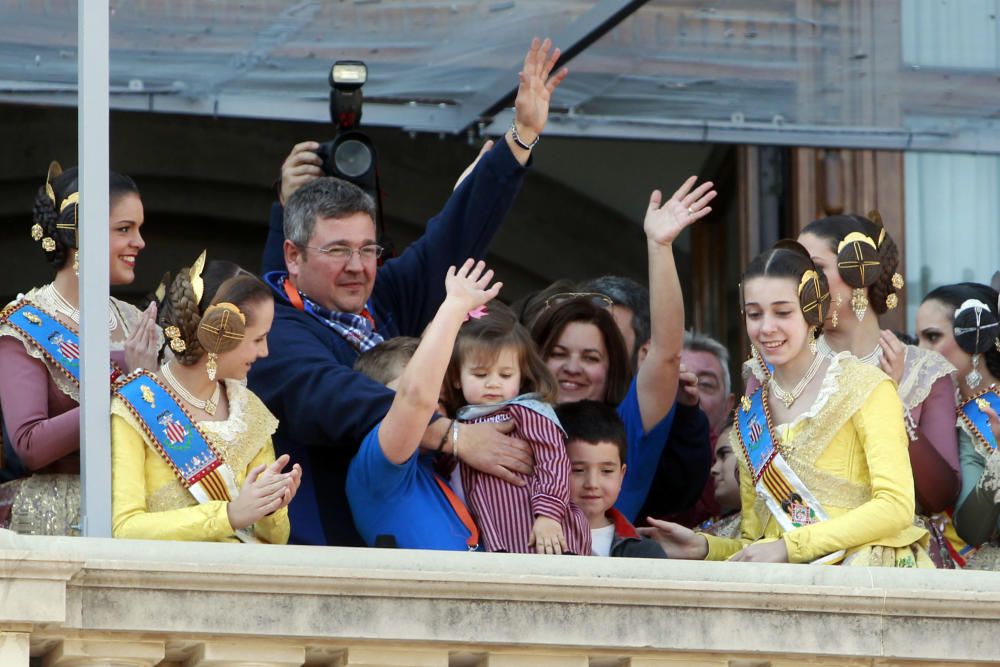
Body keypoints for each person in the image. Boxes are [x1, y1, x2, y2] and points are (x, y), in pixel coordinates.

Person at [249, 38, 569, 546]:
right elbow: (342, 400)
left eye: (368, 249)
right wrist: (455, 436)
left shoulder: (382, 297)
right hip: (323, 561)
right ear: (293, 256)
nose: (358, 267)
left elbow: (453, 237)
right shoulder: (269, 331)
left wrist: (521, 137)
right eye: (337, 251)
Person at [641, 241, 931, 567]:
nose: (766, 328)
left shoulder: (866, 385)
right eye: (754, 314)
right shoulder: (751, 415)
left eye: (782, 312)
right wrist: (704, 547)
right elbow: (757, 542)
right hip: (786, 582)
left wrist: (792, 547)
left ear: (814, 310)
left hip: (864, 573)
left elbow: (895, 505)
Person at [531, 177, 716, 522]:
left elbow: (666, 352)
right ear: (537, 359)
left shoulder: (628, 428)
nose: (573, 367)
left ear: (613, 368)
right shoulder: (503, 423)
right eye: (558, 353)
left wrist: (660, 247)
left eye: (591, 358)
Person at [0, 162, 160, 535]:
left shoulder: (136, 322)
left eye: (138, 229)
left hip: (138, 511)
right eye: (124, 229)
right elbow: (30, 444)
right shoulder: (25, 325)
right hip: (56, 519)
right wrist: (129, 387)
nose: (140, 242)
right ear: (79, 235)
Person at [110, 254, 300, 542]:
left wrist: (271, 506)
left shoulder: (250, 412)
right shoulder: (136, 404)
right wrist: (229, 516)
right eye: (258, 339)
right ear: (220, 335)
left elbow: (274, 541)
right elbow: (125, 528)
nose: (265, 353)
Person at [794, 214, 959, 517]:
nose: (801, 282)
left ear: (861, 270)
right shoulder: (777, 368)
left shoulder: (924, 372)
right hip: (799, 541)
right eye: (797, 271)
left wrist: (891, 404)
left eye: (814, 268)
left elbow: (942, 496)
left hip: (892, 546)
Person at [346, 260, 504, 551]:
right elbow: (415, 398)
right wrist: (455, 306)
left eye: (440, 395)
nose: (434, 399)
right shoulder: (376, 466)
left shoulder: (444, 467)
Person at [440, 302, 590, 555]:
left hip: (541, 536)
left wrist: (549, 515)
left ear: (521, 375)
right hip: (498, 542)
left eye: (505, 375)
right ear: (456, 377)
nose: (493, 384)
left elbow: (553, 461)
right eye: (480, 374)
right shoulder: (457, 426)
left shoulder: (526, 411)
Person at [917, 282, 1000, 569]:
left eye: (932, 337)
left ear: (975, 335)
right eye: (919, 340)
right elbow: (972, 530)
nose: (921, 351)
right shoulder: (956, 417)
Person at [556, 400, 666, 558]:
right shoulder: (527, 540)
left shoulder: (645, 553)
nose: (592, 484)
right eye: (578, 470)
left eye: (606, 471)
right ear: (552, 471)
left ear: (621, 475)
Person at [694, 425, 741, 539]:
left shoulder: (783, 527)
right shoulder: (715, 524)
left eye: (724, 455)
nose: (713, 470)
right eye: (715, 461)